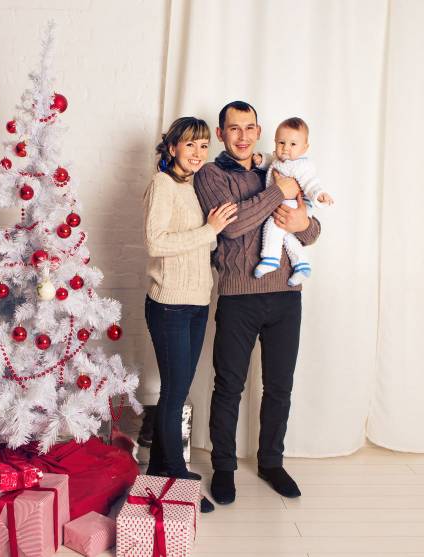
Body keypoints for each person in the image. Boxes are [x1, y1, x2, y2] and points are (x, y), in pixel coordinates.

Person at [193, 101, 321, 504]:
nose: (243, 136)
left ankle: (271, 462)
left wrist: (304, 222)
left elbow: (308, 230)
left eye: (250, 128)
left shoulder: (278, 168)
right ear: (221, 134)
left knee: (280, 385)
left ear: (259, 131)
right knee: (229, 386)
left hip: (286, 295)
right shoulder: (211, 174)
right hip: (238, 297)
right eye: (234, 128)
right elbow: (232, 227)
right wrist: (278, 193)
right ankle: (224, 467)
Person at [143, 116, 237, 513]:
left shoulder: (192, 186)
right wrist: (210, 230)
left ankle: (157, 470)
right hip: (169, 304)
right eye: (190, 145)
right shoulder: (162, 184)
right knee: (174, 392)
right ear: (172, 148)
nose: (198, 153)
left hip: (198, 302)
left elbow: (201, 243)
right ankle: (180, 477)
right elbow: (155, 243)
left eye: (203, 145)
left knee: (177, 388)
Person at [252, 117, 334, 285]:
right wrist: (261, 160)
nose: (286, 148)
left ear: (305, 148)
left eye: (293, 144)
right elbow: (271, 161)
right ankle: (302, 265)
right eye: (281, 143)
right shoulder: (280, 160)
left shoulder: (302, 166)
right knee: (288, 237)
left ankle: (271, 258)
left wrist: (319, 195)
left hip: (296, 204)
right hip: (284, 202)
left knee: (273, 224)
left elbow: (311, 183)